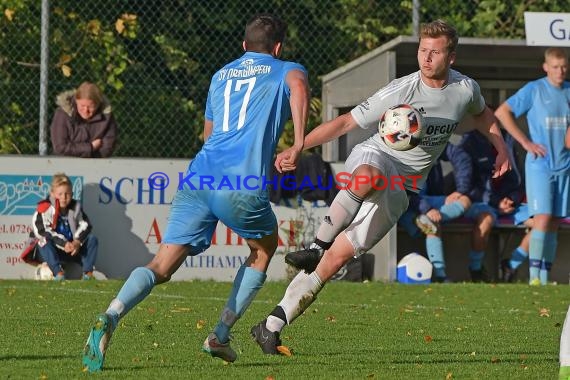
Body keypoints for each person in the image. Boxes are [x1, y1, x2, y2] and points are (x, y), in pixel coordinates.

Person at [250, 19, 510, 354]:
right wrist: (299, 146)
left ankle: (271, 325)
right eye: (422, 50)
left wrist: (501, 147)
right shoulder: (402, 90)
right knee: (369, 176)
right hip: (377, 155)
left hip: (403, 189)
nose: (426, 57)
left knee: (336, 261)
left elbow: (485, 115)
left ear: (452, 57)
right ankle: (315, 246)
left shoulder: (465, 90)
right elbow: (345, 122)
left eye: (435, 51)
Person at [81, 13, 309, 372]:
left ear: (243, 46)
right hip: (241, 184)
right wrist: (296, 144)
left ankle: (110, 314)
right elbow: (298, 85)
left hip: (199, 177)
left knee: (161, 264)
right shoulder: (286, 69)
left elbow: (208, 134)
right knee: (264, 249)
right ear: (278, 48)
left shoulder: (221, 75)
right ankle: (219, 335)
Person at [495, 47, 570, 286]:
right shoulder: (535, 89)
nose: (560, 71)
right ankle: (535, 278)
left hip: (565, 165)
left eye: (564, 66)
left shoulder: (569, 91)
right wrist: (526, 142)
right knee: (543, 218)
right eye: (556, 67)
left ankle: (544, 276)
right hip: (541, 166)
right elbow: (503, 112)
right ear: (546, 67)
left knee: (555, 221)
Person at [31, 173, 98, 280]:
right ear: (52, 193)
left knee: (92, 239)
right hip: (51, 251)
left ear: (72, 194)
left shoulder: (75, 207)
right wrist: (64, 244)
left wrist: (76, 242)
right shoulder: (44, 208)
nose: (64, 197)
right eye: (60, 194)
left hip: (72, 249)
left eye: (67, 194)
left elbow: (86, 225)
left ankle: (88, 273)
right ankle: (58, 273)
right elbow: (42, 231)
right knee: (42, 240)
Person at [50, 81, 117, 157]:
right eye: (82, 106)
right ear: (76, 100)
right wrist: (91, 147)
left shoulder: (107, 117)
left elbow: (107, 148)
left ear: (98, 104)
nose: (86, 110)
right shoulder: (62, 114)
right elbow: (60, 148)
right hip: (64, 164)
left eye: (91, 107)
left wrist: (78, 152)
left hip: (95, 164)